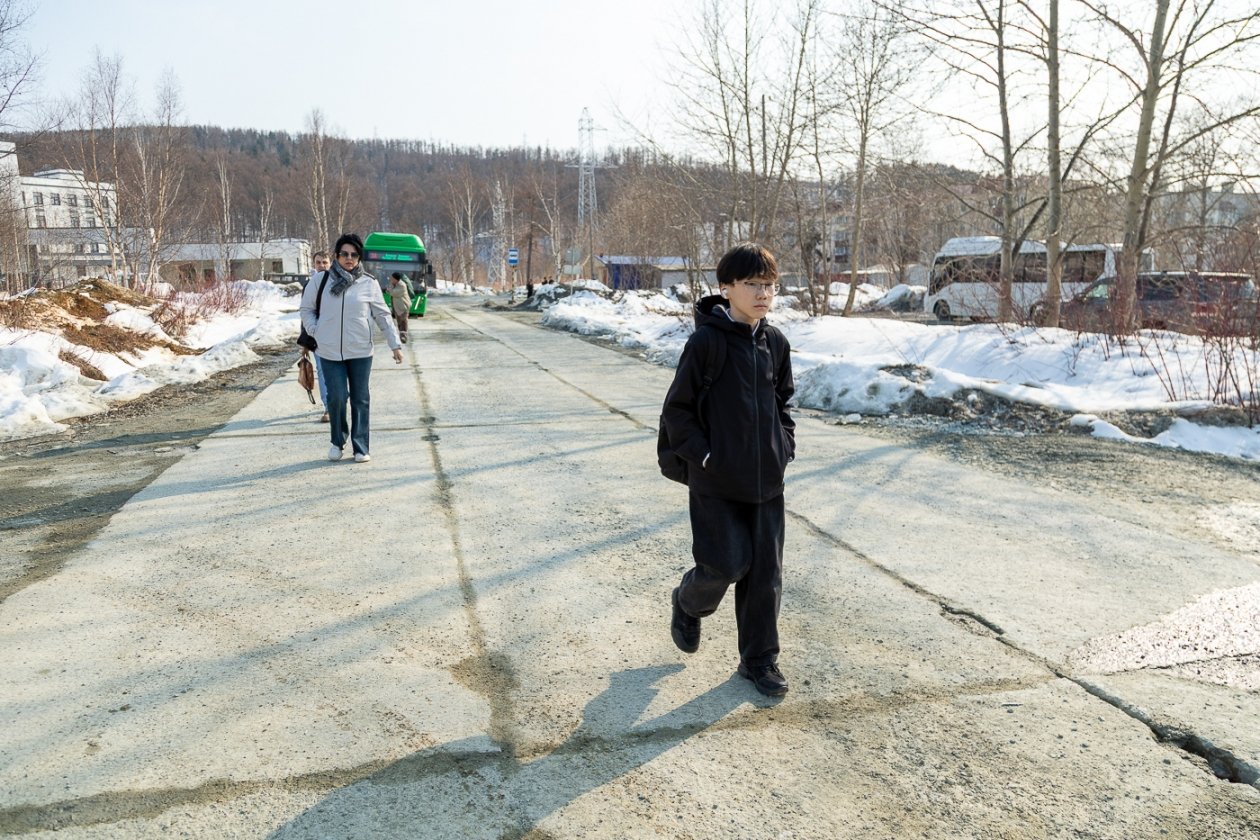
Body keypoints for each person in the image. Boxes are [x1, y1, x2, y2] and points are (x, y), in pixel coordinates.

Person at [660, 242, 796, 697]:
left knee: (764, 576)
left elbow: (783, 403)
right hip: (716, 481)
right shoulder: (706, 343)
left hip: (767, 481)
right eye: (752, 285)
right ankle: (688, 601)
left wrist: (784, 446)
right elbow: (677, 412)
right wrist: (706, 457)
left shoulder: (774, 343)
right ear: (726, 288)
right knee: (724, 564)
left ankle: (759, 660)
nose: (763, 293)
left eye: (770, 285)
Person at [300, 233, 403, 464]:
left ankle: (360, 446)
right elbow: (306, 309)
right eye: (345, 254)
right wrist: (316, 330)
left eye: (354, 255)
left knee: (360, 398)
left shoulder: (369, 282)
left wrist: (394, 344)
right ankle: (337, 441)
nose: (349, 258)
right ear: (336, 256)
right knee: (336, 397)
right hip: (328, 350)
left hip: (360, 351)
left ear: (359, 258)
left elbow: (382, 315)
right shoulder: (321, 281)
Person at [308, 251, 332, 422]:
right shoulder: (309, 286)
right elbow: (305, 314)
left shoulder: (338, 283)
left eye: (324, 262)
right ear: (313, 265)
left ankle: (339, 400)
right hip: (318, 339)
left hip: (339, 337)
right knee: (323, 372)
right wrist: (305, 342)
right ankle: (328, 408)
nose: (322, 265)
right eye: (318, 262)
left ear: (330, 263)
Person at [388, 271, 413, 343]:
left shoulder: (402, 285)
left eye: (392, 278)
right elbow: (389, 291)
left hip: (403, 306)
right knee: (399, 322)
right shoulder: (394, 284)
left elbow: (393, 293)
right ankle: (401, 336)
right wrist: (390, 288)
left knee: (404, 321)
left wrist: (390, 289)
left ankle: (404, 337)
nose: (391, 279)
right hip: (397, 307)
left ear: (396, 279)